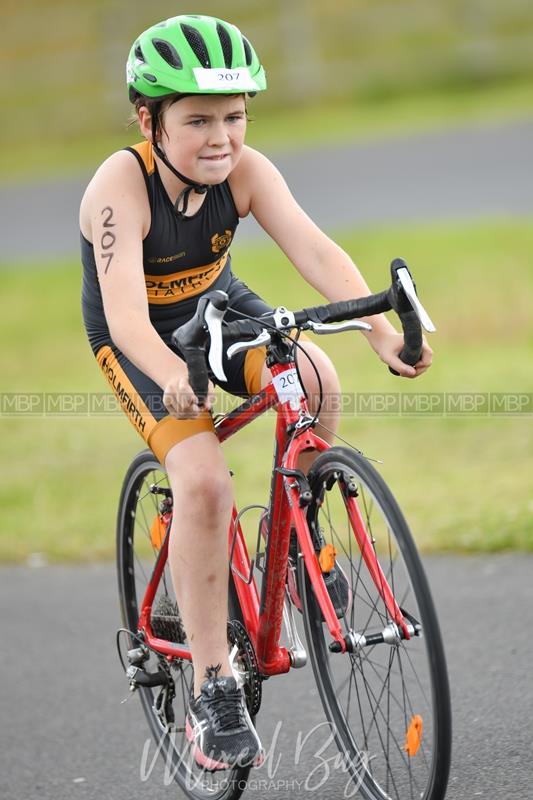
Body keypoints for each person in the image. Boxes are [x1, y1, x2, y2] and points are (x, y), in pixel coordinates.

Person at [80, 14, 432, 771]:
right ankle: (212, 683)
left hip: (214, 305)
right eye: (197, 120)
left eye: (234, 117)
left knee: (312, 375)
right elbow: (124, 318)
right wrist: (174, 378)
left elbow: (310, 246)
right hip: (137, 337)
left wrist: (376, 329)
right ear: (149, 120)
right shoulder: (119, 184)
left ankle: (294, 550)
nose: (220, 137)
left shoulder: (244, 169)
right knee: (202, 482)